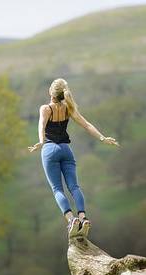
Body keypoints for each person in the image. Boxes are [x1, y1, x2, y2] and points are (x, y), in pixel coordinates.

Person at [28, 78, 119, 238]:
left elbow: (41, 125)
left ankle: (71, 220)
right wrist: (102, 138)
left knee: (57, 189)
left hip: (50, 150)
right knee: (74, 187)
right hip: (66, 150)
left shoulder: (45, 108)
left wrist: (41, 142)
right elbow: (87, 125)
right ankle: (83, 218)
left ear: (51, 92)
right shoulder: (68, 108)